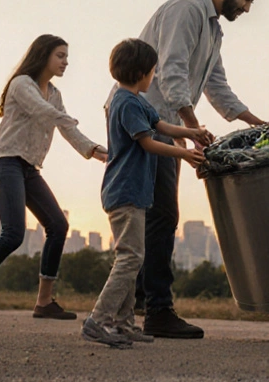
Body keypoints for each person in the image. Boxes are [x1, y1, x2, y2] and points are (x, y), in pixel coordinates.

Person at [108, 0, 269, 339]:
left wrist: (254, 121)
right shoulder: (186, 10)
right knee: (160, 215)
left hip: (166, 122)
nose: (247, 9)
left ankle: (131, 306)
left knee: (154, 217)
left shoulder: (214, 34)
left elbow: (216, 85)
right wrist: (192, 127)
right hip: (142, 118)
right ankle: (157, 311)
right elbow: (171, 70)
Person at [0, 34, 106, 326]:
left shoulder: (55, 95)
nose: (66, 62)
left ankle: (44, 302)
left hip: (29, 169)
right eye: (60, 56)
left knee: (58, 225)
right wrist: (68, 120)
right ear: (43, 55)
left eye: (67, 57)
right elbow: (42, 111)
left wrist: (95, 151)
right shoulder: (22, 85)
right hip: (5, 162)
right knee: (13, 234)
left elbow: (65, 127)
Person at [83, 38, 210, 348]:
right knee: (129, 258)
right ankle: (97, 320)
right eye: (153, 71)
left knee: (133, 257)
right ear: (142, 73)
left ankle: (124, 325)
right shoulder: (125, 103)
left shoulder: (138, 102)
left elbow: (162, 127)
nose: (154, 77)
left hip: (134, 193)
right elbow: (148, 142)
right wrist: (183, 155)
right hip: (124, 191)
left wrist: (191, 132)